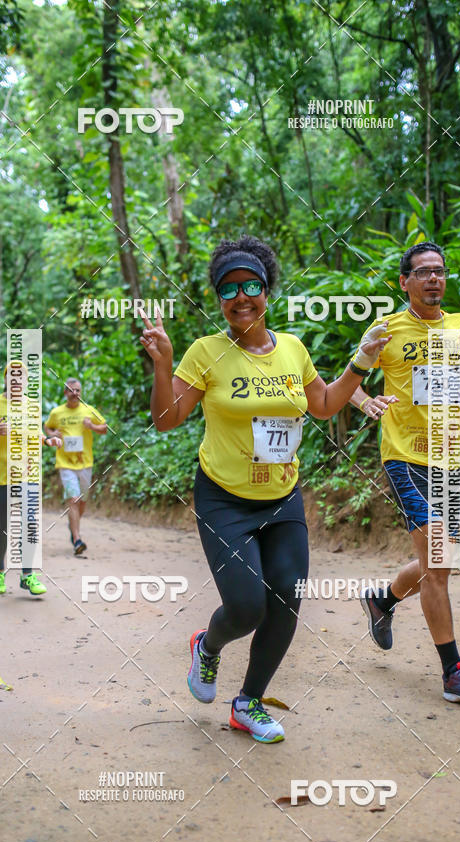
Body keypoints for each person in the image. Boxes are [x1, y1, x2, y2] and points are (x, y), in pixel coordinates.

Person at [140, 235, 389, 742]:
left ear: (267, 290)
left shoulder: (293, 349)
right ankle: (207, 647)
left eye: (250, 284)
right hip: (223, 498)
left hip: (282, 497)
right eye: (228, 289)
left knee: (288, 598)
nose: (240, 296)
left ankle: (248, 703)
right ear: (218, 300)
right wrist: (163, 364)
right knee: (248, 606)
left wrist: (360, 362)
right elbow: (167, 420)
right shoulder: (206, 352)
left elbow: (322, 405)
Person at [350, 240, 460, 704]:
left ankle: (382, 599)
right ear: (405, 282)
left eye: (439, 271)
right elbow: (347, 385)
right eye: (423, 272)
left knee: (437, 562)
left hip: (448, 456)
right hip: (404, 455)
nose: (434, 278)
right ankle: (453, 673)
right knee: (440, 563)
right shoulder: (386, 330)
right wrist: (368, 402)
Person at [0, 362, 61, 596]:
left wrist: (47, 441)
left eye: (22, 377)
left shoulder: (31, 405)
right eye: (14, 377)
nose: (18, 381)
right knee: (3, 527)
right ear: (6, 379)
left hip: (28, 474)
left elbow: (36, 432)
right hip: (1, 476)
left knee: (29, 524)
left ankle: (27, 575)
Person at [44, 378, 107, 555]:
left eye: (78, 390)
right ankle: (77, 539)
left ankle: (73, 525)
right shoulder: (57, 412)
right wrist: (53, 433)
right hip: (65, 463)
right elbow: (47, 427)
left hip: (85, 462)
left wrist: (92, 426)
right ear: (65, 392)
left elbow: (104, 428)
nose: (75, 394)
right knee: (73, 499)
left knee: (82, 502)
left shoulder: (88, 410)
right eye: (71, 390)